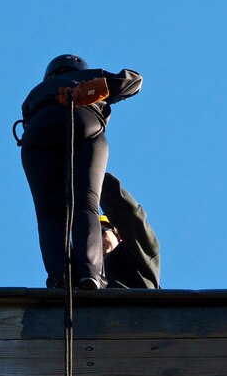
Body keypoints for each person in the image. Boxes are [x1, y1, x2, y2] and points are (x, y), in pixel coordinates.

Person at [17, 54, 142, 289]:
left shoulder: (36, 92)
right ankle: (91, 274)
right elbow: (134, 81)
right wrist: (94, 89)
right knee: (85, 204)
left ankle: (59, 277)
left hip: (36, 136)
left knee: (49, 215)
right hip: (84, 121)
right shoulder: (87, 77)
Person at [100, 172, 161, 289]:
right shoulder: (76, 275)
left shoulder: (137, 257)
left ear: (119, 237)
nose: (95, 238)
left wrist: (92, 177)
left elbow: (129, 218)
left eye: (102, 231)